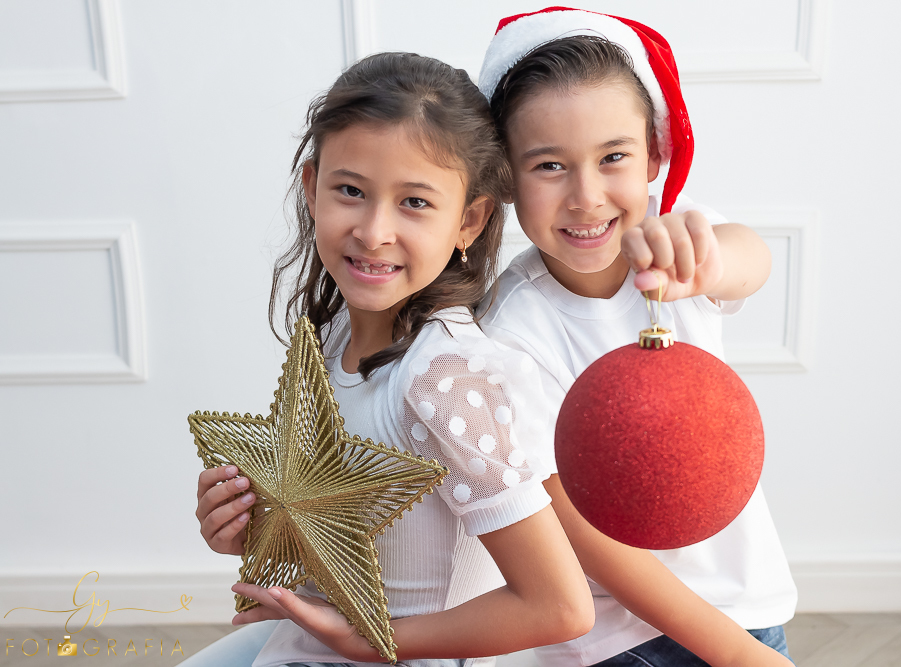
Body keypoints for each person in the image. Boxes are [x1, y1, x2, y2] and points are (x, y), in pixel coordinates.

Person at [186, 52, 595, 667]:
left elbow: (558, 607)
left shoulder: (453, 381)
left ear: (470, 220)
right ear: (311, 187)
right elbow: (349, 530)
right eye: (350, 191)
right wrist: (250, 528)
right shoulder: (333, 338)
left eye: (415, 203)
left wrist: (365, 640)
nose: (374, 231)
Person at [476, 8, 798, 667]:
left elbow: (749, 259)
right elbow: (587, 538)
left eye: (613, 156)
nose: (587, 196)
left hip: (744, 605)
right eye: (549, 166)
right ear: (506, 176)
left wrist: (703, 264)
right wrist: (738, 656)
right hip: (617, 637)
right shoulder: (511, 330)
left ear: (654, 151)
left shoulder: (681, 246)